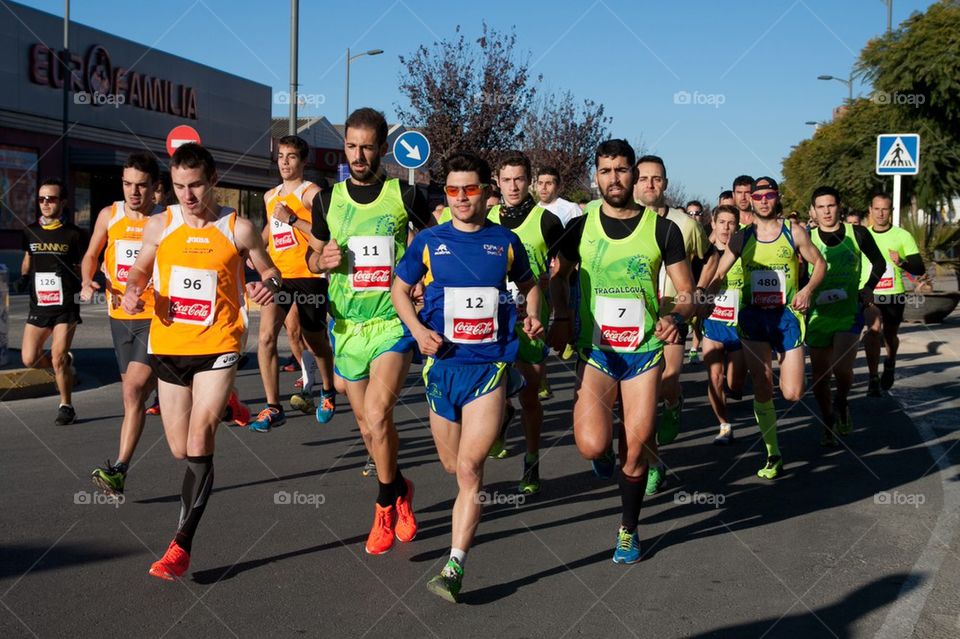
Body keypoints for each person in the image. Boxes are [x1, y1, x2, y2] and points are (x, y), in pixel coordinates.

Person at [121, 143, 281, 580]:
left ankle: (181, 544)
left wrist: (269, 285)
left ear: (212, 181)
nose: (187, 195)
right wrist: (135, 289)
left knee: (198, 439)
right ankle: (230, 407)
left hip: (219, 345)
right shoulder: (160, 224)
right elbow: (139, 269)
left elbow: (269, 270)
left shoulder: (238, 228)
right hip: (170, 346)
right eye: (177, 186)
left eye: (194, 186)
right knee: (177, 448)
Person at [392, 151, 543, 602]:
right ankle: (504, 415)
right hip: (443, 368)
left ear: (486, 192)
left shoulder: (506, 241)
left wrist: (532, 315)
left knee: (470, 469)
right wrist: (418, 331)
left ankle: (454, 565)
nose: (460, 198)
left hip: (489, 365)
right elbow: (400, 290)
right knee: (450, 464)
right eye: (452, 191)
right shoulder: (428, 242)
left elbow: (531, 285)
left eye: (470, 189)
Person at [548, 139, 692, 564]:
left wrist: (675, 317)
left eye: (622, 170)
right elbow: (559, 276)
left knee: (639, 444)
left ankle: (628, 530)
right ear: (596, 176)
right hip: (597, 351)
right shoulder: (581, 225)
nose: (615, 178)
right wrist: (560, 317)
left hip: (644, 350)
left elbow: (686, 292)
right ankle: (603, 453)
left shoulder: (663, 229)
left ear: (634, 175)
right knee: (592, 446)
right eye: (606, 171)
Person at [306, 107, 431, 555]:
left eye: (367, 147)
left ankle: (382, 506)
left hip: (392, 322)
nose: (359, 155)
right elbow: (312, 256)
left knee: (379, 415)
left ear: (381, 149)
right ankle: (400, 487)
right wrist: (320, 262)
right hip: (347, 326)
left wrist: (421, 282)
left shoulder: (402, 195)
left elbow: (436, 242)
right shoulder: (326, 200)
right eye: (352, 146)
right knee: (367, 427)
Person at [707, 177, 825, 479]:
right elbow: (720, 271)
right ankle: (773, 454)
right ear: (751, 200)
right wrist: (704, 295)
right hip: (753, 317)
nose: (762, 200)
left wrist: (807, 290)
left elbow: (819, 263)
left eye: (768, 195)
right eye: (757, 196)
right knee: (762, 385)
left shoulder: (793, 231)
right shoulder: (742, 237)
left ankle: (776, 444)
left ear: (777, 197)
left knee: (793, 393)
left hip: (786, 317)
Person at [84, 153, 164, 494]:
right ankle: (169, 381)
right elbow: (91, 254)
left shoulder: (165, 219)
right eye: (128, 184)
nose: (134, 192)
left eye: (141, 186)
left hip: (156, 318)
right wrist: (88, 281)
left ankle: (118, 467)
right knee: (133, 398)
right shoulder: (109, 215)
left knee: (133, 390)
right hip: (120, 319)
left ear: (155, 188)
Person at [486, 152, 564, 493]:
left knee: (530, 396)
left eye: (519, 179)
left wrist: (555, 299)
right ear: (497, 182)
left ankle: (531, 460)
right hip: (489, 318)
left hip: (530, 317)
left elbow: (566, 266)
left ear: (529, 180)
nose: (513, 186)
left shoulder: (545, 220)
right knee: (491, 390)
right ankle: (501, 418)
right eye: (507, 180)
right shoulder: (484, 216)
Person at [633, 156, 711, 495]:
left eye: (657, 178)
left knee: (666, 381)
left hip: (671, 316)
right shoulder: (625, 220)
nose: (650, 184)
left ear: (665, 183)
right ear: (635, 183)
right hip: (633, 319)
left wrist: (700, 292)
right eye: (644, 178)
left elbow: (709, 259)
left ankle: (674, 402)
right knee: (641, 401)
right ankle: (652, 462)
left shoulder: (685, 224)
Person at [248, 135, 336, 432]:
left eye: (291, 156)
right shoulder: (270, 195)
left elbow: (324, 234)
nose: (285, 162)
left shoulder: (310, 193)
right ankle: (274, 407)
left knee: (315, 340)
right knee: (265, 338)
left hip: (309, 276)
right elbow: (269, 232)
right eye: (281, 156)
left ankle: (327, 389)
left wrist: (294, 219)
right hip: (279, 277)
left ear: (303, 161)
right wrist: (253, 251)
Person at [806, 186, 885, 444]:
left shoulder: (857, 233)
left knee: (841, 369)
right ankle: (827, 417)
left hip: (848, 313)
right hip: (817, 315)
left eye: (831, 205)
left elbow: (880, 263)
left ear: (839, 206)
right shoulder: (807, 238)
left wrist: (868, 289)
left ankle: (842, 403)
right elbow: (796, 273)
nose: (826, 211)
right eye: (821, 207)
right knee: (819, 378)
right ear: (814, 211)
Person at [20, 178, 86, 425]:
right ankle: (66, 364)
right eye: (41, 199)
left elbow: (83, 265)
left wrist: (85, 284)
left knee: (57, 356)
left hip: (66, 305)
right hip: (39, 304)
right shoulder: (29, 231)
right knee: (29, 358)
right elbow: (29, 256)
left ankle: (66, 405)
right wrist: (24, 277)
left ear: (63, 202)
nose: (45, 203)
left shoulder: (75, 234)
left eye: (51, 199)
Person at [861, 192, 925, 395]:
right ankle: (873, 377)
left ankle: (890, 362)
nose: (880, 213)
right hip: (870, 293)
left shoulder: (902, 235)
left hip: (894, 294)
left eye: (885, 209)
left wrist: (902, 262)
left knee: (890, 334)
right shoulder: (862, 235)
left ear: (891, 211)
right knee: (873, 331)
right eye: (876, 209)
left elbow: (919, 268)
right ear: (870, 210)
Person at [697, 205, 746, 445]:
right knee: (714, 376)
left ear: (737, 226)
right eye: (722, 222)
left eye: (731, 223)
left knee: (734, 383)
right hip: (713, 323)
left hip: (739, 326)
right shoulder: (705, 253)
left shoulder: (745, 249)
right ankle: (724, 424)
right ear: (713, 223)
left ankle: (734, 390)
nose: (726, 227)